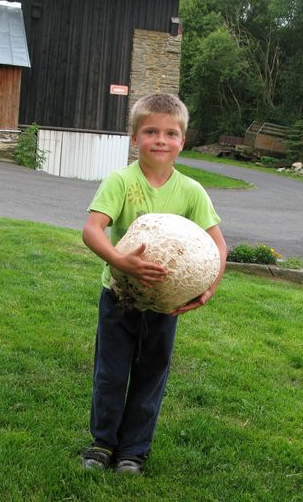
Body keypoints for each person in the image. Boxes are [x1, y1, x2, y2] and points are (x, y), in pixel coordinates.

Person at [81, 92, 227, 475]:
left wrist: (207, 288)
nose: (160, 140)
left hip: (165, 306)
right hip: (119, 297)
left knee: (150, 376)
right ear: (134, 139)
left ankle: (133, 451)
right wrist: (118, 260)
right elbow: (92, 230)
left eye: (170, 133)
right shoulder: (120, 181)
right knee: (110, 373)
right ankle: (102, 443)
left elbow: (217, 245)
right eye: (150, 131)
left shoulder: (191, 192)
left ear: (183, 140)